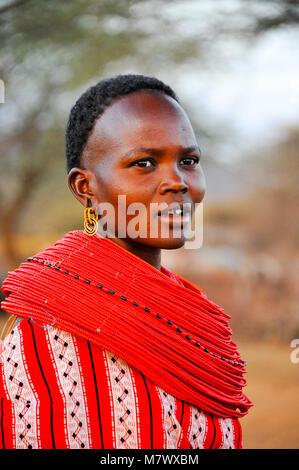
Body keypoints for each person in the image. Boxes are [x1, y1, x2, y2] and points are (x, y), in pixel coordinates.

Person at [0, 74, 252, 449]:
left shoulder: (193, 321)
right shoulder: (44, 331)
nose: (178, 182)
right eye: (145, 163)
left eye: (189, 160)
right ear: (85, 188)